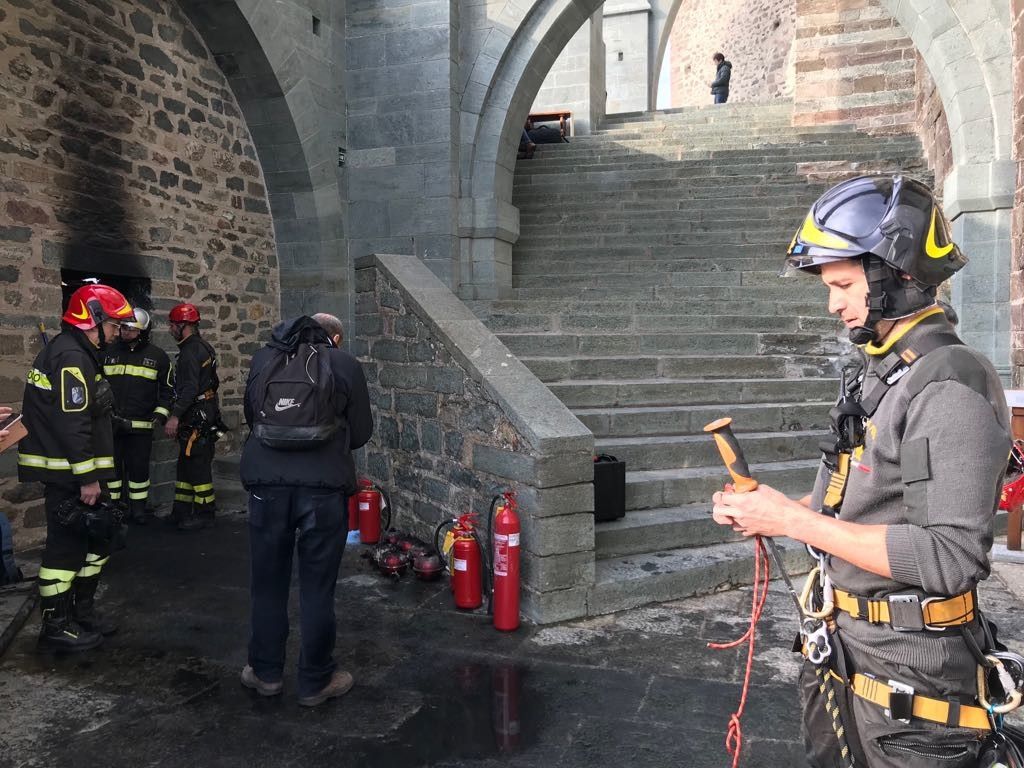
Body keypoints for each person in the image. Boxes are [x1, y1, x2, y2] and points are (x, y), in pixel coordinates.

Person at [711, 175, 1011, 767]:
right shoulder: (879, 373)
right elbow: (849, 504)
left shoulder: (949, 382)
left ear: (896, 274)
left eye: (844, 284)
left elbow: (950, 557)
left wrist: (794, 522)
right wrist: (773, 510)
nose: (833, 302)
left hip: (913, 679)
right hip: (843, 651)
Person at [239, 314, 372, 706]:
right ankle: (315, 680)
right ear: (334, 336)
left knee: (267, 584)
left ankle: (265, 673)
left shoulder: (264, 358)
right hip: (323, 489)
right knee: (317, 588)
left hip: (267, 486)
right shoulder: (345, 364)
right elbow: (361, 433)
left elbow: (252, 417)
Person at [18, 284, 136, 651]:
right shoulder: (72, 356)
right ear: (94, 319)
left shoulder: (78, 352)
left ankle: (81, 611)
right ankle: (55, 626)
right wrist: (87, 477)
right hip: (69, 476)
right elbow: (73, 425)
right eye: (114, 325)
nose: (118, 332)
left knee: (93, 543)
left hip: (80, 472)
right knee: (65, 550)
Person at [103, 308, 172, 525]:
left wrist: (159, 415)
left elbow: (168, 390)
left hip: (141, 425)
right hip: (111, 423)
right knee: (111, 470)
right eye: (123, 327)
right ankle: (112, 509)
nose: (125, 332)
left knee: (139, 469)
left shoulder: (157, 356)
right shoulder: (107, 352)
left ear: (142, 331)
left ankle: (138, 510)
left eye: (131, 329)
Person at [164, 303, 221, 532]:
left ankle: (205, 512)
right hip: (203, 411)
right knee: (186, 465)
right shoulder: (202, 347)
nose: (170, 329)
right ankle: (181, 511)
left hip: (196, 415)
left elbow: (189, 389)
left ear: (184, 326)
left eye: (173, 325)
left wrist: (174, 416)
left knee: (197, 464)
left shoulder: (189, 352)